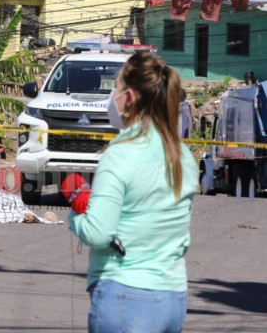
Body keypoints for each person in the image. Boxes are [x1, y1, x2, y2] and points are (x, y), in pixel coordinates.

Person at [68, 52, 199, 333]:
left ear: (128, 97)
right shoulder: (182, 156)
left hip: (125, 294)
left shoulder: (121, 154)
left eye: (114, 87)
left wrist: (74, 216)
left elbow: (98, 232)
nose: (111, 96)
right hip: (172, 298)